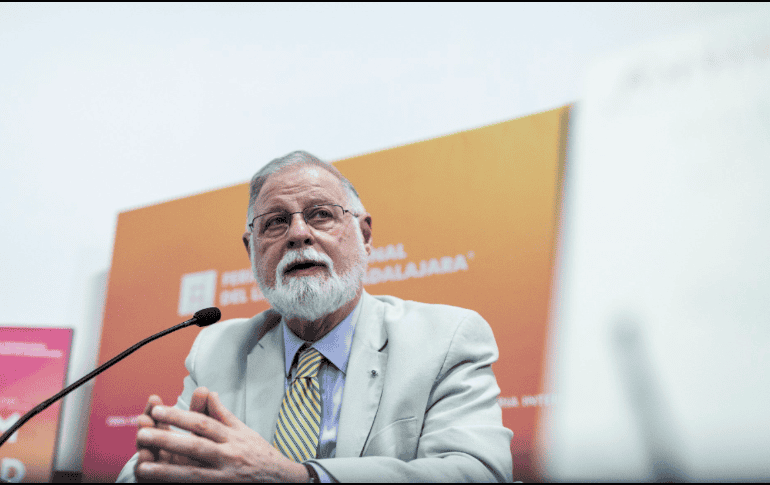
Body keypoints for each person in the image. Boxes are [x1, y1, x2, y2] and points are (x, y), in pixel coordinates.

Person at [116, 151, 513, 483]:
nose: (298, 234)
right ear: (251, 249)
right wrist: (162, 468)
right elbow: (145, 470)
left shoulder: (446, 338)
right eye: (275, 222)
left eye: (321, 214)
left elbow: (476, 471)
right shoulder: (218, 348)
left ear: (365, 235)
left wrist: (299, 477)